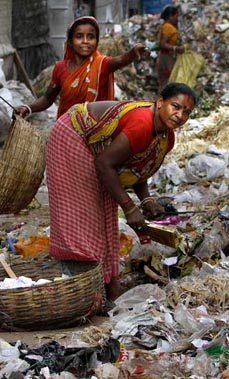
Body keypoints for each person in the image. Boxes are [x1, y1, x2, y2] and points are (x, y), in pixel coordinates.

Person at [46, 83, 197, 301]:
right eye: (175, 106)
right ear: (160, 101)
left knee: (107, 212)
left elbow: (136, 167)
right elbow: (104, 164)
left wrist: (146, 201)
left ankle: (109, 285)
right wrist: (129, 208)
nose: (179, 115)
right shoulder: (143, 123)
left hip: (100, 152)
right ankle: (85, 289)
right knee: (87, 215)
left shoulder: (166, 137)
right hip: (73, 135)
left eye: (186, 112)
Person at [15, 16, 149, 120]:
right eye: (79, 36)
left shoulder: (102, 64)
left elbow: (120, 60)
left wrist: (133, 52)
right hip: (66, 131)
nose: (85, 41)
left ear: (96, 42)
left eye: (91, 37)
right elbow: (47, 99)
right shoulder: (60, 68)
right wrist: (28, 108)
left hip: (95, 133)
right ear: (70, 42)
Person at [156, 5, 185, 92]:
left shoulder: (168, 26)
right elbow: (162, 44)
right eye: (176, 16)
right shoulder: (168, 27)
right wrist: (176, 48)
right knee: (166, 82)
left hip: (166, 57)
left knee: (166, 82)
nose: (177, 18)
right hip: (166, 58)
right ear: (170, 16)